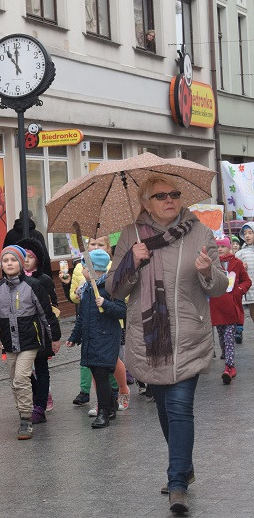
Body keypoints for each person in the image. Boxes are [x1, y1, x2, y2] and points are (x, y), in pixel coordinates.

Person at [107, 176, 226, 514]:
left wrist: (207, 272)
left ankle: (177, 484)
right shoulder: (130, 235)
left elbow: (219, 286)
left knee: (179, 407)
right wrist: (132, 262)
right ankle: (184, 466)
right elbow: (114, 289)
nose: (170, 200)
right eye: (160, 196)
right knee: (164, 409)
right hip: (149, 339)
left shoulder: (200, 233)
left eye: (174, 194)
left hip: (189, 334)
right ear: (146, 203)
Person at [0, 246, 60, 440]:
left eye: (13, 260)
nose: (9, 263)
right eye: (5, 260)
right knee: (14, 380)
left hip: (30, 342)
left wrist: (54, 337)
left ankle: (26, 419)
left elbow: (46, 314)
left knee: (21, 378)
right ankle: (22, 411)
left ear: (20, 263)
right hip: (10, 344)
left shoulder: (33, 285)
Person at [66, 250, 127, 428]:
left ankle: (103, 413)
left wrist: (105, 303)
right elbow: (82, 317)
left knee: (101, 375)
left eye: (85, 267)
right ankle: (111, 407)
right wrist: (74, 337)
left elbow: (122, 311)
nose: (82, 269)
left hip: (106, 337)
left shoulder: (111, 287)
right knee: (97, 372)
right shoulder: (86, 289)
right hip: (91, 338)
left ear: (94, 269)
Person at [18, 238, 61, 424]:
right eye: (23, 256)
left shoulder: (44, 280)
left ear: (38, 259)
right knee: (23, 370)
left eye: (30, 257)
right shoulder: (14, 280)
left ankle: (40, 405)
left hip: (41, 331)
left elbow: (53, 307)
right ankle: (36, 395)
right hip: (22, 332)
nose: (26, 260)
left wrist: (54, 335)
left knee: (41, 367)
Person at [209, 237, 250, 383]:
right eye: (217, 247)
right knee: (222, 338)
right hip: (216, 305)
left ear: (229, 247)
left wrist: (239, 290)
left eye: (223, 246)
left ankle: (230, 367)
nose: (220, 249)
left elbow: (247, 281)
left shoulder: (237, 263)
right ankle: (227, 357)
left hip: (231, 306)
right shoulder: (212, 264)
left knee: (229, 338)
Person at [3, 210, 50, 276]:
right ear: (31, 218)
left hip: (14, 274)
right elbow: (44, 258)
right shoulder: (36, 234)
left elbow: (5, 255)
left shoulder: (10, 235)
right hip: (34, 274)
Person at [235, 222, 254, 345]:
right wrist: (241, 267)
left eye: (250, 233)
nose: (247, 236)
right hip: (251, 289)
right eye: (245, 233)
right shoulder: (240, 253)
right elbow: (234, 269)